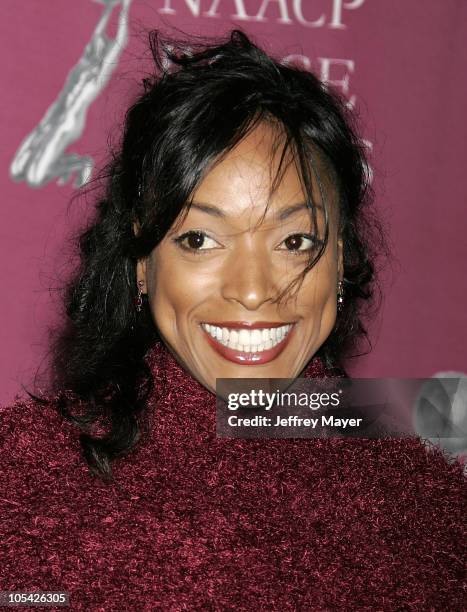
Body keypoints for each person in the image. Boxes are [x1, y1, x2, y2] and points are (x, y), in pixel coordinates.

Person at [1, 30, 465, 610]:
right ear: (143, 261)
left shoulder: (431, 516)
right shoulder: (22, 481)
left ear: (342, 257)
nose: (251, 290)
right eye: (199, 239)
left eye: (295, 240)